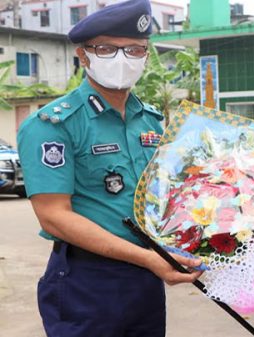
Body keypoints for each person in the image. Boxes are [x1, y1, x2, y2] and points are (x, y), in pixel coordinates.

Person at [17, 0, 202, 336]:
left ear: (146, 56)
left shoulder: (152, 122)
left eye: (134, 49)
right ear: (83, 55)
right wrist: (148, 259)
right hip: (87, 280)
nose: (122, 59)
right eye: (107, 49)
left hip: (146, 279)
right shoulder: (53, 124)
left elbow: (167, 199)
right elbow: (54, 216)